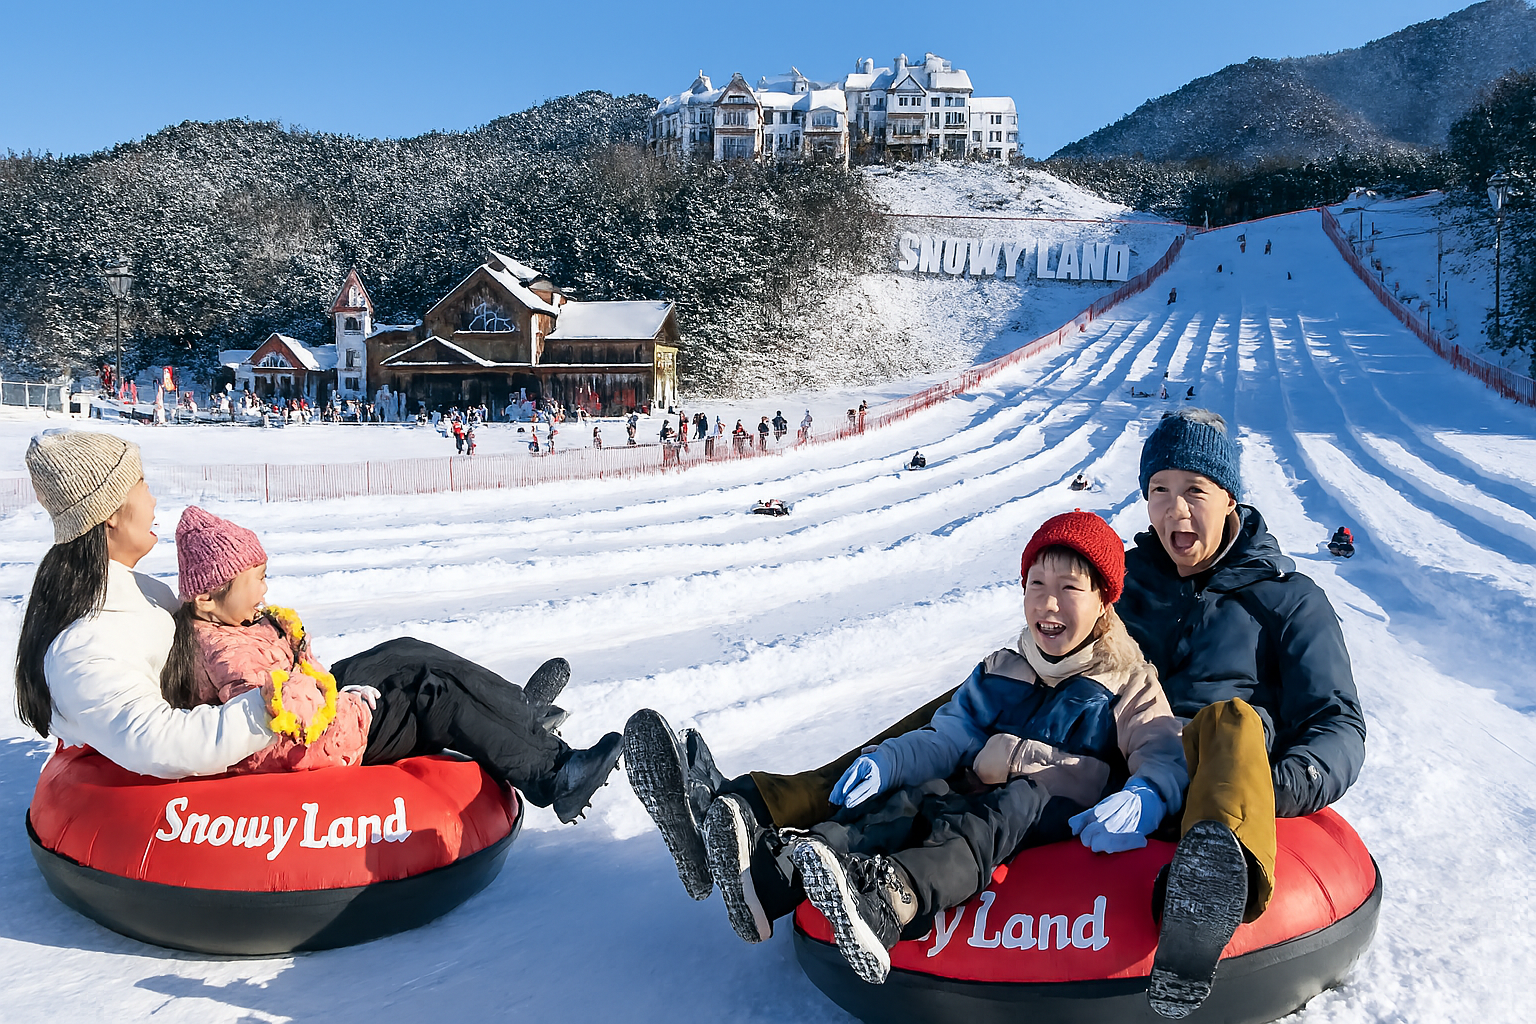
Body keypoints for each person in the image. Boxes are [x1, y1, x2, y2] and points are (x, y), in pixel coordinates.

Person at [623, 408, 1366, 1019]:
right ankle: (753, 809)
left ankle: (1210, 887)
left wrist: (1269, 785)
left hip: (1201, 775)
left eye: (1195, 489)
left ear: (1230, 498)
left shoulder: (1287, 602)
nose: (1175, 508)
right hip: (1090, 752)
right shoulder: (1126, 578)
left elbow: (1338, 728)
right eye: (1159, 489)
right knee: (970, 701)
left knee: (1228, 719)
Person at [627, 512, 1186, 986]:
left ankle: (895, 900)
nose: (1049, 604)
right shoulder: (1001, 670)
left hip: (1051, 813)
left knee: (1010, 804)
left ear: (1105, 602)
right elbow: (946, 737)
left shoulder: (1126, 680)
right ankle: (773, 879)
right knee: (910, 798)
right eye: (1036, 586)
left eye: (1069, 589)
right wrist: (886, 762)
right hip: (973, 792)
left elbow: (1160, 750)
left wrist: (1145, 795)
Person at [14, 433, 624, 824]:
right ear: (112, 509)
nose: (154, 499)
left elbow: (213, 627)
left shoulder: (137, 590)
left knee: (400, 652)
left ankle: (511, 717)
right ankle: (553, 773)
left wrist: (272, 639)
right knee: (427, 686)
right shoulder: (85, 642)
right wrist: (273, 706)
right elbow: (156, 741)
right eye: (142, 484)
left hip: (268, 701)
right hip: (271, 736)